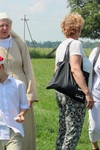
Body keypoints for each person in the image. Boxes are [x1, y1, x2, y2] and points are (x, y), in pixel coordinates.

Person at [0, 12, 38, 150]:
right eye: (1, 25)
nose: (4, 28)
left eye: (7, 25)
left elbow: (29, 69)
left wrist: (31, 94)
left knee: (22, 123)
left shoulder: (20, 43)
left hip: (21, 89)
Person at [54, 12, 94, 150]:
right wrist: (87, 92)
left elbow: (56, 71)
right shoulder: (76, 44)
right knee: (73, 131)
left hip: (61, 92)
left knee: (63, 129)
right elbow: (75, 68)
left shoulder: (61, 46)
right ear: (78, 28)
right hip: (74, 93)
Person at [88, 43, 100, 150]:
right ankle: (95, 146)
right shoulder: (96, 52)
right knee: (94, 128)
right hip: (96, 95)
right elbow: (87, 72)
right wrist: (87, 94)